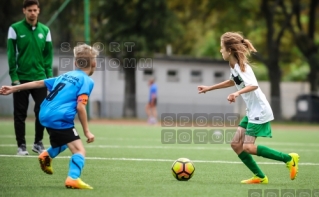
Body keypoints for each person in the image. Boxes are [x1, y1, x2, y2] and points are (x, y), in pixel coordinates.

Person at [197, 32, 299, 184]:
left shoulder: (242, 67)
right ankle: (260, 177)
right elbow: (232, 81)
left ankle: (289, 159)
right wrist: (209, 88)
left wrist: (237, 93)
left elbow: (254, 85)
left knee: (248, 147)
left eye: (222, 48)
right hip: (252, 111)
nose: (220, 51)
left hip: (260, 110)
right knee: (236, 144)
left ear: (229, 50)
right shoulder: (234, 66)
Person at [0, 44, 98, 189]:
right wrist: (87, 131)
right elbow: (80, 106)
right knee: (79, 150)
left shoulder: (65, 75)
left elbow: (39, 83)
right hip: (59, 117)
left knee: (65, 141)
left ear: (75, 63)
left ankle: (46, 156)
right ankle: (73, 178)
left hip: (44, 114)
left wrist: (14, 88)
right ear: (94, 64)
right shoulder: (87, 81)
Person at [7, 0, 53, 155]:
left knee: (42, 111)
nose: (32, 13)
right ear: (24, 11)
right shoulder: (15, 29)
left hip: (40, 78)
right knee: (20, 114)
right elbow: (11, 55)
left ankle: (38, 142)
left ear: (39, 11)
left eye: (35, 10)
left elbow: (48, 56)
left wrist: (49, 77)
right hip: (21, 78)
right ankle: (21, 146)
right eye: (30, 10)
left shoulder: (45, 30)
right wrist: (14, 76)